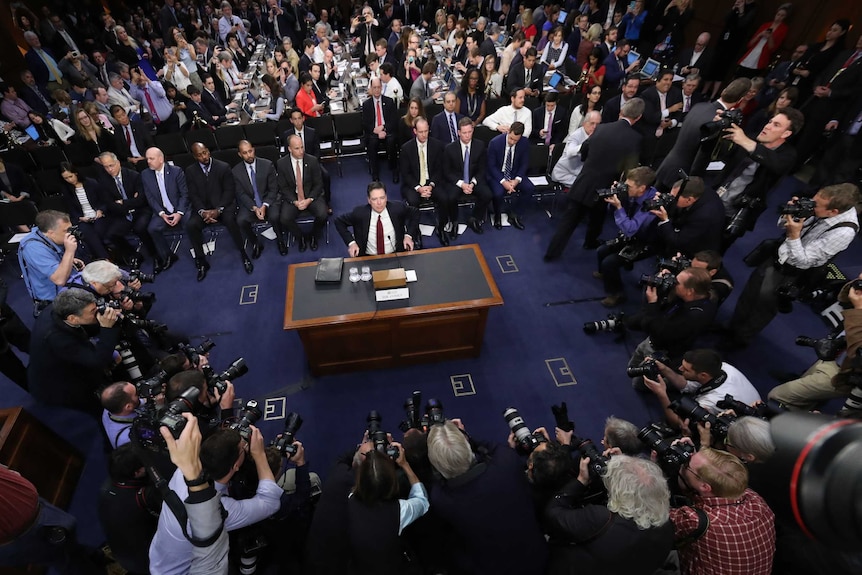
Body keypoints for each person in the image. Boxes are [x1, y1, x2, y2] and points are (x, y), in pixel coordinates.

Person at [728, 184, 860, 348]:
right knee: (749, 294)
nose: (811, 205)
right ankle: (731, 330)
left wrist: (794, 235)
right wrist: (792, 213)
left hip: (792, 273)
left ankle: (739, 340)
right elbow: (782, 225)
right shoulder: (821, 206)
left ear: (832, 212)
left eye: (815, 205)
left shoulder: (844, 232)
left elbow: (803, 261)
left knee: (763, 306)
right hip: (778, 255)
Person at [148, 424, 281, 575]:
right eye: (244, 447)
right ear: (236, 465)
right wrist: (259, 455)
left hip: (161, 560)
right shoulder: (220, 510)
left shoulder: (184, 470)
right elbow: (270, 502)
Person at [426, 420, 548, 575]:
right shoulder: (507, 461)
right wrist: (465, 435)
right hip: (537, 559)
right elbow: (494, 448)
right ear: (468, 447)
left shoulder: (440, 498)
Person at [544, 98, 644, 260]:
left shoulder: (601, 128)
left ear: (621, 112)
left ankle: (551, 253)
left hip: (584, 181)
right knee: (597, 218)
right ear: (638, 117)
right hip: (605, 187)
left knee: (569, 221)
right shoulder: (635, 138)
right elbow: (630, 168)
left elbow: (584, 150)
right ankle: (590, 242)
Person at [545, 455, 674, 575]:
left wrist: (580, 481)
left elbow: (553, 512)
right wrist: (626, 465)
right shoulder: (667, 527)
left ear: (622, 492)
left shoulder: (600, 519)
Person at [671, 447, 776, 575]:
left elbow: (653, 517)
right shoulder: (756, 500)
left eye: (687, 465)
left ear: (705, 487)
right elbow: (722, 474)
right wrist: (698, 457)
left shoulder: (695, 520)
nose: (684, 463)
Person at [717, 107, 802, 250]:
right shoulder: (751, 137)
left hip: (736, 211)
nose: (767, 126)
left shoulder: (787, 155)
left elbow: (776, 164)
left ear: (786, 133)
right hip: (716, 197)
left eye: (776, 125)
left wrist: (746, 142)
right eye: (770, 122)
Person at [28, 288, 121, 416]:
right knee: (100, 411)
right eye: (93, 311)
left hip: (66, 360)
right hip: (60, 383)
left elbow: (85, 326)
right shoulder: (57, 339)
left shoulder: (61, 309)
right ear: (73, 319)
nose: (98, 312)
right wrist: (107, 328)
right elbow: (98, 361)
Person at [626, 267, 718, 388]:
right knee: (633, 365)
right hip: (651, 341)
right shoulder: (693, 297)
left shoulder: (695, 316)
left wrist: (652, 303)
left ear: (690, 291)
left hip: (663, 351)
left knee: (638, 384)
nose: (673, 283)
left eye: (677, 282)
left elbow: (657, 330)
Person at [347, 441, 429, 574]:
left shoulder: (350, 500)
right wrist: (405, 465)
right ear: (392, 480)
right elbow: (422, 501)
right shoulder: (400, 511)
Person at [655, 78, 751, 192]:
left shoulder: (699, 106)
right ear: (740, 99)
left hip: (667, 165)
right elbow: (701, 159)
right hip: (681, 177)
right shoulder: (716, 124)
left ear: (724, 90)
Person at [644, 349, 762, 429]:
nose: (680, 369)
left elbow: (677, 422)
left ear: (703, 375)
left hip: (744, 429)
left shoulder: (713, 401)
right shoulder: (723, 367)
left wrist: (661, 394)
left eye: (686, 369)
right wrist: (664, 369)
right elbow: (687, 386)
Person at [185, 142, 252, 281]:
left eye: (205, 153)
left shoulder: (223, 167)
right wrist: (203, 212)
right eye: (199, 155)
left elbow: (229, 191)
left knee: (231, 221)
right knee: (191, 225)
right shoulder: (190, 171)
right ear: (194, 157)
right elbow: (193, 195)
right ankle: (202, 262)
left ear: (208, 151)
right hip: (204, 209)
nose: (204, 157)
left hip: (223, 206)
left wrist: (218, 210)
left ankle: (244, 254)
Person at [594, 166, 660, 307]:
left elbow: (631, 229)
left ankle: (617, 294)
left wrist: (619, 208)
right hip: (631, 234)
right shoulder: (632, 194)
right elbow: (613, 214)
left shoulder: (652, 204)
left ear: (642, 188)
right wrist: (617, 199)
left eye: (629, 186)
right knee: (602, 250)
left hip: (646, 241)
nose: (626, 188)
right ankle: (605, 274)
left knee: (609, 263)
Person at [18, 210, 83, 310]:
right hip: (55, 300)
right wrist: (69, 252)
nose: (70, 233)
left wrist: (70, 260)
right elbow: (59, 279)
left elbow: (52, 256)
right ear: (50, 232)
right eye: (66, 230)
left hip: (68, 289)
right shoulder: (33, 248)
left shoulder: (46, 236)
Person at [336, 181, 418, 257]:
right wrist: (352, 243)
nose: (379, 203)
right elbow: (339, 221)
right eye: (374, 199)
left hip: (395, 255)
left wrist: (408, 236)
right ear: (369, 200)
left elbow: (415, 213)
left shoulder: (397, 208)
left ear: (386, 197)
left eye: (382, 198)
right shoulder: (359, 213)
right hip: (368, 257)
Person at [443, 117, 493, 238]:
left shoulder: (480, 146)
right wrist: (461, 184)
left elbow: (482, 169)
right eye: (464, 133)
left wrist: (473, 183)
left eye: (469, 132)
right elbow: (447, 172)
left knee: (487, 194)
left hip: (473, 179)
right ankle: (454, 222)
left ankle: (474, 218)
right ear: (459, 132)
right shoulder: (450, 148)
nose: (467, 135)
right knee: (450, 197)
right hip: (457, 180)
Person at [652, 176, 726, 258]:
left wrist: (664, 220)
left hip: (698, 249)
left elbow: (678, 241)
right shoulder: (696, 189)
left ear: (689, 200)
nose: (671, 200)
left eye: (674, 198)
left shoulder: (704, 216)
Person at [140, 147, 188, 274]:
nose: (148, 161)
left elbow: (184, 195)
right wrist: (161, 213)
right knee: (152, 229)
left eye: (151, 158)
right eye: (147, 159)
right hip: (162, 211)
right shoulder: (145, 174)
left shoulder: (176, 171)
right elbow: (150, 197)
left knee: (190, 223)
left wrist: (179, 213)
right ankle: (168, 256)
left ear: (161, 159)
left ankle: (199, 254)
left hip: (179, 209)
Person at [276, 134, 327, 252]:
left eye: (302, 147)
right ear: (289, 149)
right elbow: (283, 187)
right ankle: (301, 238)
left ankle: (314, 236)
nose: (301, 151)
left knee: (322, 214)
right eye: (297, 148)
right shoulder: (281, 164)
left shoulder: (312, 160)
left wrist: (309, 199)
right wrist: (294, 201)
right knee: (284, 218)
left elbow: (318, 184)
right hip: (293, 198)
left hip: (311, 195)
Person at [232, 140, 283, 258]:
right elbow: (240, 193)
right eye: (245, 153)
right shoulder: (235, 171)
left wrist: (264, 205)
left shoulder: (267, 165)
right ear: (240, 154)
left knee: (275, 216)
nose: (249, 155)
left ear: (253, 150)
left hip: (268, 200)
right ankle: (255, 244)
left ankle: (280, 241)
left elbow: (273, 189)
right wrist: (254, 207)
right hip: (251, 203)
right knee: (241, 220)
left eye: (250, 151)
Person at [485, 122, 533, 230]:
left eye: (515, 140)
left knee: (529, 188)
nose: (512, 142)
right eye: (511, 138)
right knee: (498, 192)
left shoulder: (524, 143)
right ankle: (497, 215)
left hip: (514, 173)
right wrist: (503, 181)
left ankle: (515, 214)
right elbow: (491, 166)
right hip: (497, 174)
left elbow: (524, 163)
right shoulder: (495, 143)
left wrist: (516, 180)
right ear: (508, 132)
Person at [400, 116, 445, 211]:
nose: (424, 135)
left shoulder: (437, 145)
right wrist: (418, 188)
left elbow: (439, 169)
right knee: (413, 201)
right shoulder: (406, 148)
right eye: (421, 132)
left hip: (432, 182)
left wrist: (431, 185)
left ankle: (442, 224)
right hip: (414, 183)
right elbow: (406, 174)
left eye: (426, 131)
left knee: (444, 198)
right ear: (415, 131)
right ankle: (414, 226)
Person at [737, 3, 791, 78]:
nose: (779, 17)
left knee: (751, 77)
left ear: (785, 17)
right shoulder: (765, 25)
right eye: (778, 14)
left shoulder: (783, 29)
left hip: (762, 56)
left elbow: (772, 48)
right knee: (739, 73)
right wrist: (760, 34)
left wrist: (770, 37)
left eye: (782, 15)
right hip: (752, 52)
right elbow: (750, 43)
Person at [362, 77, 398, 183]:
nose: (377, 90)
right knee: (372, 143)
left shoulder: (389, 101)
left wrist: (383, 128)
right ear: (371, 89)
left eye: (378, 87)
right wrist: (375, 130)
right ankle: (375, 173)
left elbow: (393, 121)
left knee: (391, 142)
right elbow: (365, 123)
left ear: (382, 88)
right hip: (373, 132)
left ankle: (394, 169)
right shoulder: (366, 105)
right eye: (374, 88)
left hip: (387, 130)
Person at [552, 110, 600, 187]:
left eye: (597, 124)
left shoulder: (598, 135)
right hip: (565, 173)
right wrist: (586, 144)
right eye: (592, 123)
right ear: (584, 123)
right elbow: (570, 152)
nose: (594, 127)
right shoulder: (575, 135)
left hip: (581, 173)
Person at [100, 382, 141, 449]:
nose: (140, 394)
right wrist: (159, 406)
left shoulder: (109, 408)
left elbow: (137, 402)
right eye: (137, 394)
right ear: (128, 407)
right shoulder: (129, 438)